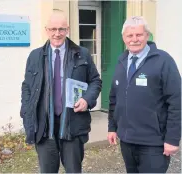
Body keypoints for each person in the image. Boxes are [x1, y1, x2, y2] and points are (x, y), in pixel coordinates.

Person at [20, 9, 101, 173]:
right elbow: (27, 88)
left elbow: (95, 81)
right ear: (46, 30)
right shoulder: (35, 56)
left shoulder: (82, 54)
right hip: (44, 127)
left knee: (73, 170)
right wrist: (28, 117)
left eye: (61, 29)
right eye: (53, 29)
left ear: (67, 30)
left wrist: (87, 99)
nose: (57, 34)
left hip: (72, 124)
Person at [107, 16, 181, 173]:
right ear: (123, 38)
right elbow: (114, 99)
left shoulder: (163, 61)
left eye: (139, 35)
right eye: (130, 35)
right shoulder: (121, 61)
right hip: (127, 141)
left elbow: (176, 101)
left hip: (153, 143)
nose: (134, 39)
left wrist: (172, 139)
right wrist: (112, 127)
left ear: (147, 35)